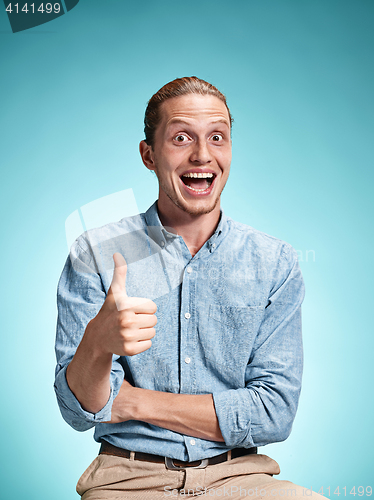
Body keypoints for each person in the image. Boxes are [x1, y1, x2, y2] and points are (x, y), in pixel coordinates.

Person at [54, 77, 324, 499]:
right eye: (181, 137)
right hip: (126, 481)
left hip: (242, 480)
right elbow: (79, 410)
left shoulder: (276, 263)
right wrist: (97, 344)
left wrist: (131, 403)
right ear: (149, 154)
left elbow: (274, 414)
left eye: (217, 137)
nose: (203, 155)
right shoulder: (95, 253)